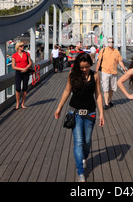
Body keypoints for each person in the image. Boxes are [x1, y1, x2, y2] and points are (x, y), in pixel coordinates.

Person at [54, 53, 105, 182]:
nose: (84, 69)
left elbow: (98, 94)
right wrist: (59, 107)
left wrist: (101, 114)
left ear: (90, 64)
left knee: (87, 143)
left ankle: (83, 158)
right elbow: (67, 91)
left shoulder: (95, 75)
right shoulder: (73, 74)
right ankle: (80, 172)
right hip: (75, 113)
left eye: (86, 67)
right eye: (81, 67)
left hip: (90, 113)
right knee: (78, 142)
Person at [95, 38, 127, 110]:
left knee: (112, 88)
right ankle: (106, 103)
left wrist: (124, 69)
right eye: (109, 42)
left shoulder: (116, 51)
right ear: (107, 43)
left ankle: (109, 101)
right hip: (105, 71)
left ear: (113, 42)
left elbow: (120, 61)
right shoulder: (103, 50)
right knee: (105, 88)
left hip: (114, 72)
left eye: (112, 42)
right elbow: (99, 61)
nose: (110, 43)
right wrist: (96, 71)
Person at [11, 41, 32, 109]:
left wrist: (26, 68)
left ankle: (22, 103)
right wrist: (21, 69)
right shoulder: (14, 55)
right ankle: (17, 103)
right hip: (18, 73)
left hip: (26, 72)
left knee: (25, 88)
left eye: (23, 46)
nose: (23, 47)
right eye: (21, 46)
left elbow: (30, 63)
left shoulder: (27, 54)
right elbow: (13, 66)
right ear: (17, 47)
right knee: (18, 88)